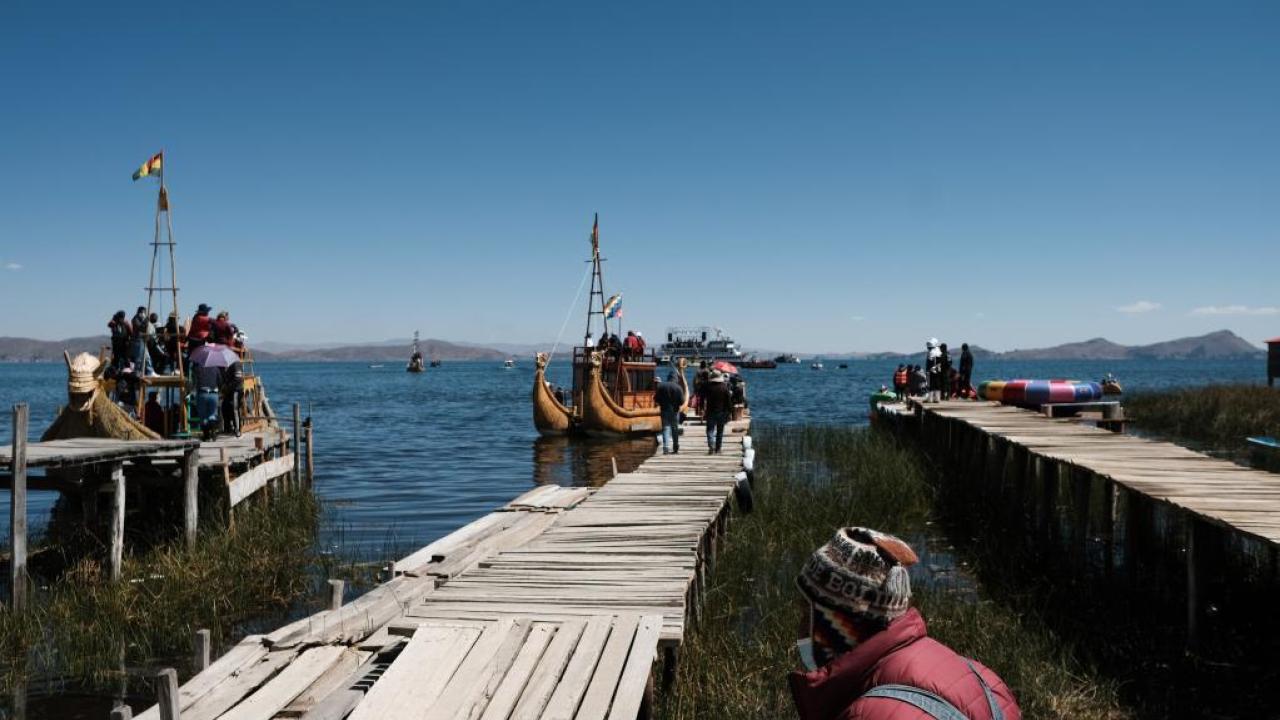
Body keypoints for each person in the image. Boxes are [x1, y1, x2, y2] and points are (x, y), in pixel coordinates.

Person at [790, 527, 1021, 720]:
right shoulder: (984, 679)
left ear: (840, 624)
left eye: (807, 614)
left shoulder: (869, 714)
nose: (800, 629)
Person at [192, 359, 223, 441]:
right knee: (212, 415)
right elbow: (220, 382)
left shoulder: (197, 368)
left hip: (202, 393)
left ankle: (206, 436)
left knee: (203, 416)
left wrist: (192, 392)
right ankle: (213, 434)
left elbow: (194, 382)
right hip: (213, 394)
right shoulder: (216, 368)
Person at [654, 371, 685, 454]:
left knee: (665, 428)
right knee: (675, 429)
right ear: (676, 378)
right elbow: (682, 402)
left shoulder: (661, 386)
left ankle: (666, 447)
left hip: (664, 410)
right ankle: (675, 447)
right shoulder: (678, 387)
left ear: (668, 378)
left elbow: (656, 399)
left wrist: (661, 403)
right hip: (675, 411)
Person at [703, 370, 733, 454]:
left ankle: (711, 445)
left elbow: (702, 398)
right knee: (720, 431)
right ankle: (718, 448)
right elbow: (729, 402)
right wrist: (730, 412)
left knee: (710, 430)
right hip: (722, 412)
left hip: (710, 411)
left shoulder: (708, 387)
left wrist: (702, 408)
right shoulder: (724, 387)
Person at [222, 358, 244, 437]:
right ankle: (227, 428)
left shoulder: (236, 364)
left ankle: (237, 429)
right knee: (224, 407)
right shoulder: (227, 366)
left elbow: (237, 380)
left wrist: (227, 388)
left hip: (236, 391)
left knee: (235, 409)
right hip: (230, 391)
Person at [131, 306, 150, 373]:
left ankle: (150, 371)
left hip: (143, 340)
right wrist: (146, 320)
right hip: (138, 340)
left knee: (147, 358)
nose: (144, 314)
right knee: (139, 358)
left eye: (145, 312)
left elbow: (145, 328)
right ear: (140, 312)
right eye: (143, 312)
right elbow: (140, 327)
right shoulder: (135, 319)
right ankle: (137, 372)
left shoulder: (142, 319)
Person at [926, 339, 943, 403]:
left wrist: (928, 370)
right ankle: (937, 398)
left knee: (931, 384)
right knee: (937, 384)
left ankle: (930, 398)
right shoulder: (939, 352)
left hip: (932, 370)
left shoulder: (931, 352)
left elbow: (930, 363)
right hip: (938, 370)